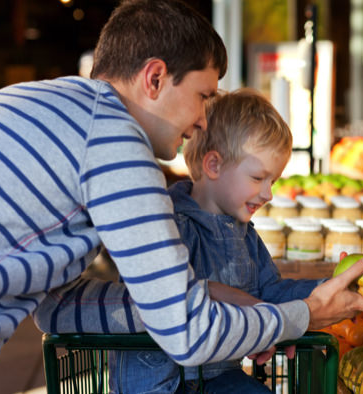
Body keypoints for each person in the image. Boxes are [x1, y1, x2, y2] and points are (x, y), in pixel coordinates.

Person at [0, 0, 363, 375]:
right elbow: (190, 335)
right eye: (203, 96)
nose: (204, 120)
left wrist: (199, 294)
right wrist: (303, 315)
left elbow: (56, 308)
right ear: (155, 78)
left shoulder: (53, 104)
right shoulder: (115, 141)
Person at [109, 88, 323, 393]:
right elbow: (174, 294)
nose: (268, 194)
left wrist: (323, 291)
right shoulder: (173, 225)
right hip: (160, 382)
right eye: (258, 178)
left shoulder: (245, 234)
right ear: (214, 165)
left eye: (272, 181)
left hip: (215, 375)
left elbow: (270, 291)